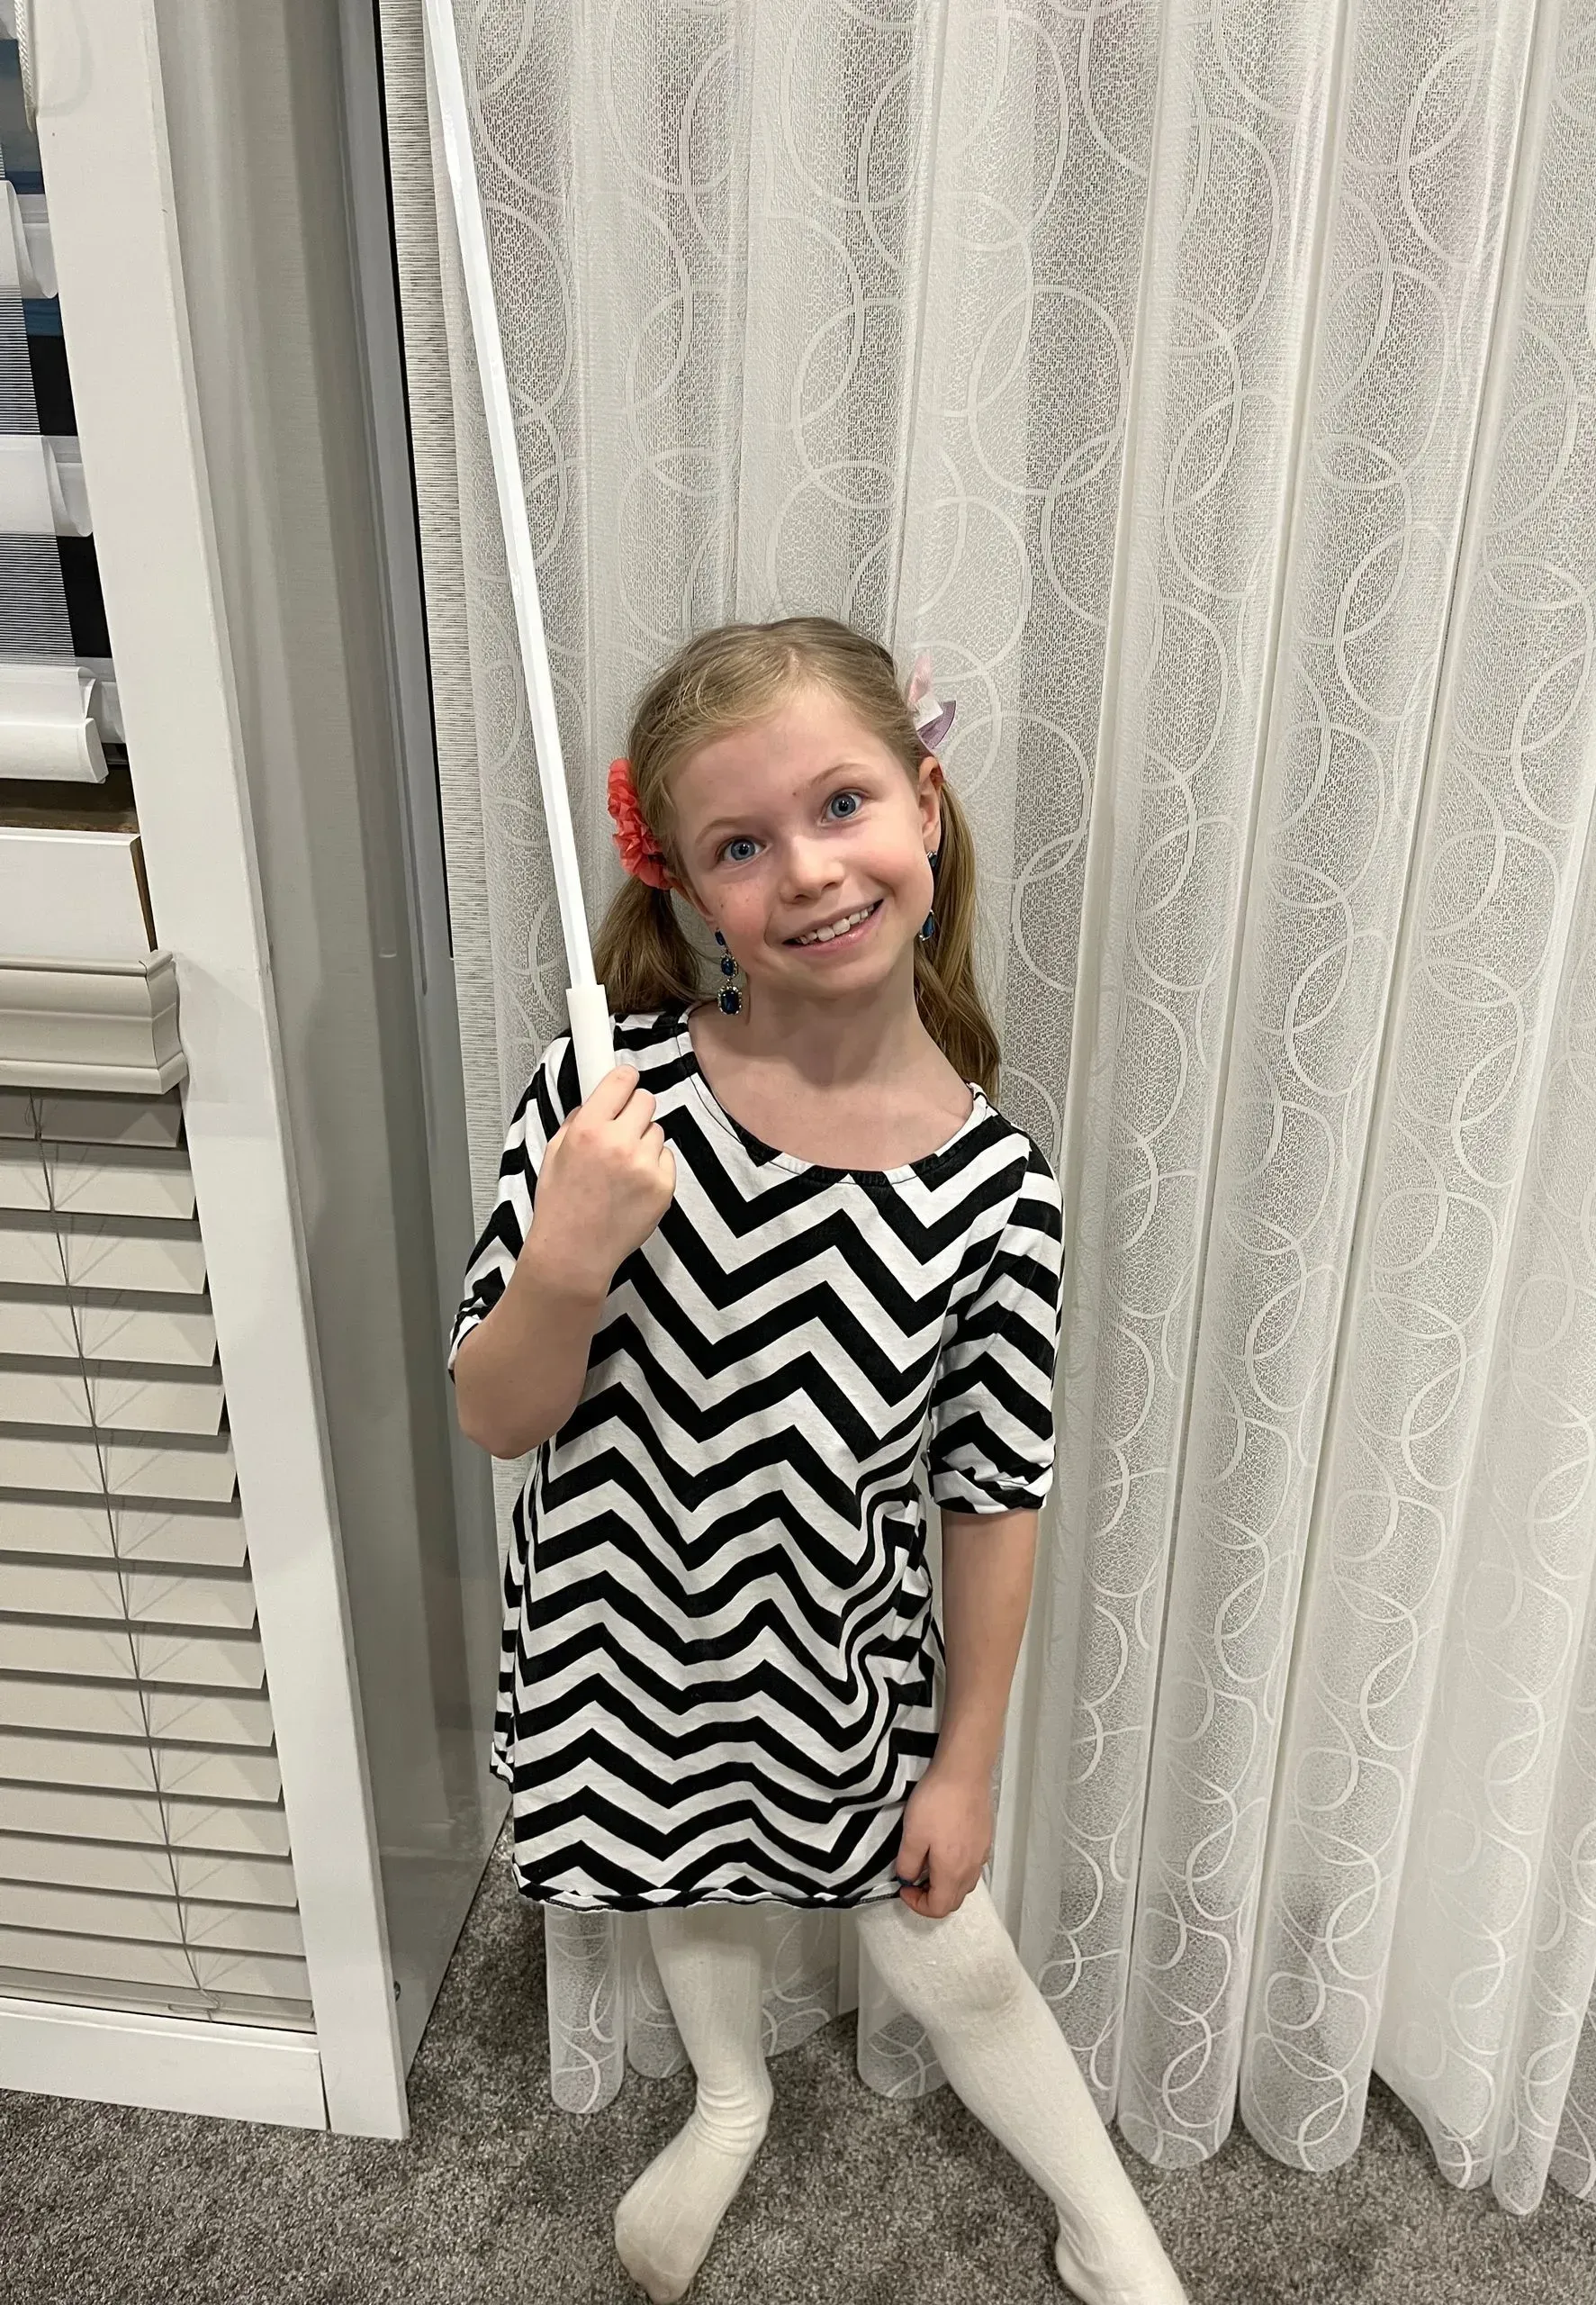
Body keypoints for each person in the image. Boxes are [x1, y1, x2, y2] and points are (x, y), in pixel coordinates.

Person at [448, 617, 1187, 2305]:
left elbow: (994, 1495)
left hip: (826, 1659)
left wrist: (969, 1764)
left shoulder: (998, 1194)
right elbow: (498, 1417)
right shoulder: (609, 1097)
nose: (808, 869)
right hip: (620, 1650)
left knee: (951, 1952)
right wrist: (568, 1253)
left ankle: (1109, 2229)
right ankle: (728, 2091)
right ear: (690, 890)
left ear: (925, 806)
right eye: (741, 844)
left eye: (842, 804)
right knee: (678, 1867)